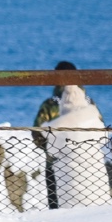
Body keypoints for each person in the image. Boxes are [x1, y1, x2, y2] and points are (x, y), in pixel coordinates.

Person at [38, 80, 112, 207]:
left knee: (73, 213)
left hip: (70, 184)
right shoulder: (95, 122)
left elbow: (52, 151)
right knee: (98, 210)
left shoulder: (58, 130)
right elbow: (104, 139)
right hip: (97, 181)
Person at [32, 61, 85, 210]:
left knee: (56, 202)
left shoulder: (49, 105)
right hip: (85, 160)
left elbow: (37, 131)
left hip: (55, 161)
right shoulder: (88, 103)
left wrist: (49, 149)